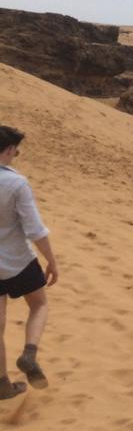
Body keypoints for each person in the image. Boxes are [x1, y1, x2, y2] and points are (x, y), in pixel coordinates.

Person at [0, 126, 59, 400]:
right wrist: (52, 261)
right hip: (18, 261)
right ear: (9, 150)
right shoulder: (16, 183)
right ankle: (29, 353)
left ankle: (2, 384)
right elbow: (35, 230)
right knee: (40, 304)